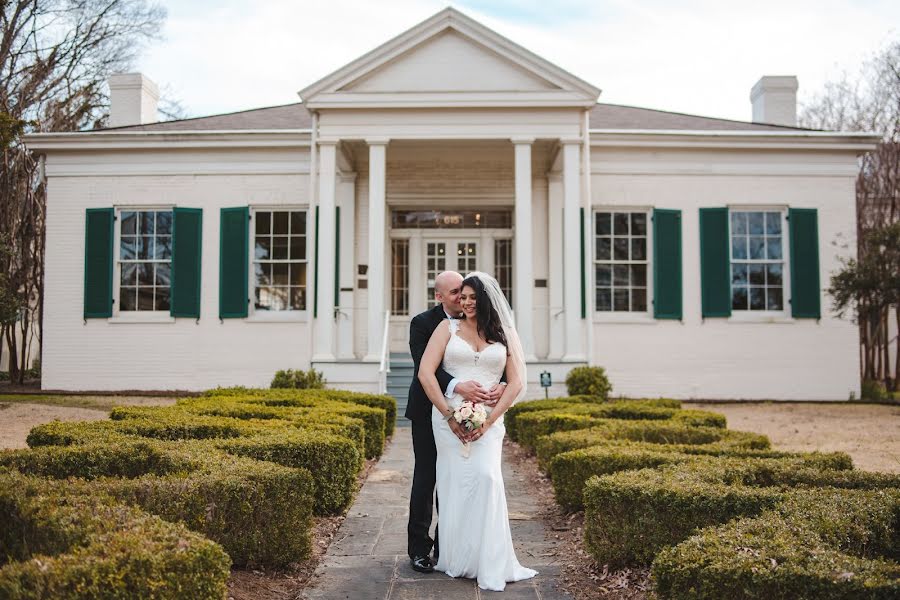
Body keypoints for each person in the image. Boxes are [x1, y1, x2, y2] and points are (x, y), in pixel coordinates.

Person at [417, 271, 538, 591]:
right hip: (447, 419)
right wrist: (449, 416)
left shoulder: (503, 332)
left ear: (484, 299)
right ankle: (457, 559)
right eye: (462, 296)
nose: (466, 302)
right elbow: (426, 373)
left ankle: (490, 557)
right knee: (453, 485)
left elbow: (516, 383)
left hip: (489, 420)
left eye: (472, 297)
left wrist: (489, 420)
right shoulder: (446, 328)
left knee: (486, 479)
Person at [405, 271, 506, 574]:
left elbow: (496, 358)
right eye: (455, 293)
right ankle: (419, 549)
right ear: (439, 296)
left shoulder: (481, 322)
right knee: (426, 479)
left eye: (464, 292)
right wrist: (458, 386)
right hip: (429, 411)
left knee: (457, 481)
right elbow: (427, 367)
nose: (461, 298)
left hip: (475, 413)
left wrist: (500, 384)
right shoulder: (424, 323)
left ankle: (446, 546)